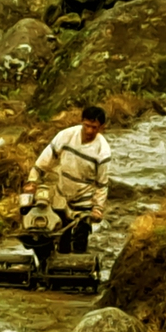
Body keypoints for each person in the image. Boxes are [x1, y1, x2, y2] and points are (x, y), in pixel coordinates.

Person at [23, 105, 111, 253]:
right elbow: (46, 159)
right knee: (60, 238)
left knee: (79, 244)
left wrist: (98, 208)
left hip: (84, 201)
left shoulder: (103, 151)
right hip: (62, 196)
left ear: (101, 127)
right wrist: (33, 180)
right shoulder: (66, 136)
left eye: (94, 128)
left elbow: (102, 184)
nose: (90, 131)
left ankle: (78, 269)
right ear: (81, 121)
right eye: (87, 126)